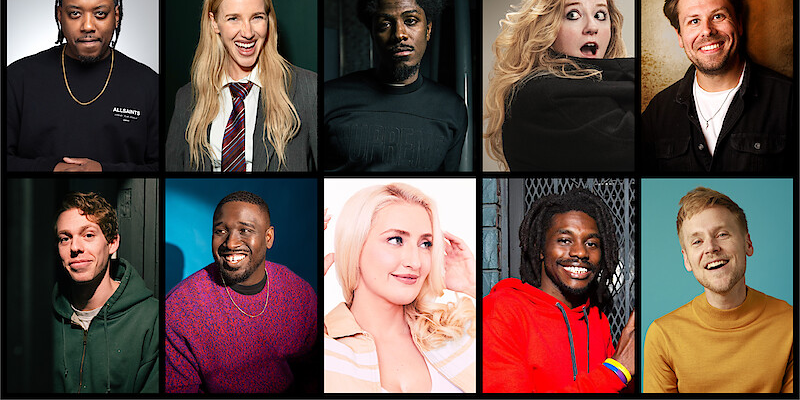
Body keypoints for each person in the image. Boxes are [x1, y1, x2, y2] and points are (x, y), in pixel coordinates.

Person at [323, 183, 476, 392]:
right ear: (354, 245)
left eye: (425, 244)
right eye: (396, 240)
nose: (415, 262)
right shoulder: (322, 346)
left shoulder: (460, 332)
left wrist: (473, 285)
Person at [642, 0, 795, 172]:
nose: (707, 30)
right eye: (694, 21)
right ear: (679, 36)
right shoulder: (657, 113)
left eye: (718, 16)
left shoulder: (789, 101)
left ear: (739, 24)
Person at [484, 0, 634, 172]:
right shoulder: (543, 94)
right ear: (547, 27)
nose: (592, 27)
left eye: (600, 15)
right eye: (573, 15)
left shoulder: (605, 83)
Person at [7, 0, 158, 172]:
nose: (88, 25)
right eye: (75, 13)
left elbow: (160, 165)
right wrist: (53, 169)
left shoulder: (149, 83)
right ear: (60, 15)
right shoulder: (16, 78)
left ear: (116, 16)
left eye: (100, 13)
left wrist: (104, 170)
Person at [483, 188, 635, 393]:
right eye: (564, 240)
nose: (580, 252)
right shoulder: (502, 311)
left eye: (591, 243)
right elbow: (612, 377)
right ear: (540, 249)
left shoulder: (598, 320)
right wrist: (617, 370)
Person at [324, 0, 467, 172]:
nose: (399, 34)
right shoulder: (328, 98)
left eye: (410, 21)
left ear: (428, 30)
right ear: (373, 33)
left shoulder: (452, 108)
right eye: (385, 24)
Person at [643, 187, 793, 393]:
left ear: (747, 243)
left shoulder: (790, 322)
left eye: (722, 234)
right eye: (697, 241)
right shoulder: (662, 336)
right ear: (686, 259)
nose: (711, 247)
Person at [166, 0, 317, 172]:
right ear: (214, 23)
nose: (247, 32)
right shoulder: (186, 98)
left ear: (268, 20)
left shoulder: (308, 89)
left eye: (257, 17)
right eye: (233, 18)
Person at [165, 191, 316, 393]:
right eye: (220, 231)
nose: (231, 243)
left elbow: (314, 373)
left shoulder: (299, 293)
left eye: (245, 230)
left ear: (268, 237)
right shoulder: (179, 309)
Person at [53, 192, 158, 393]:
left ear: (112, 243)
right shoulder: (38, 317)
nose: (75, 247)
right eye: (65, 238)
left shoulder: (151, 319)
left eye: (88, 235)